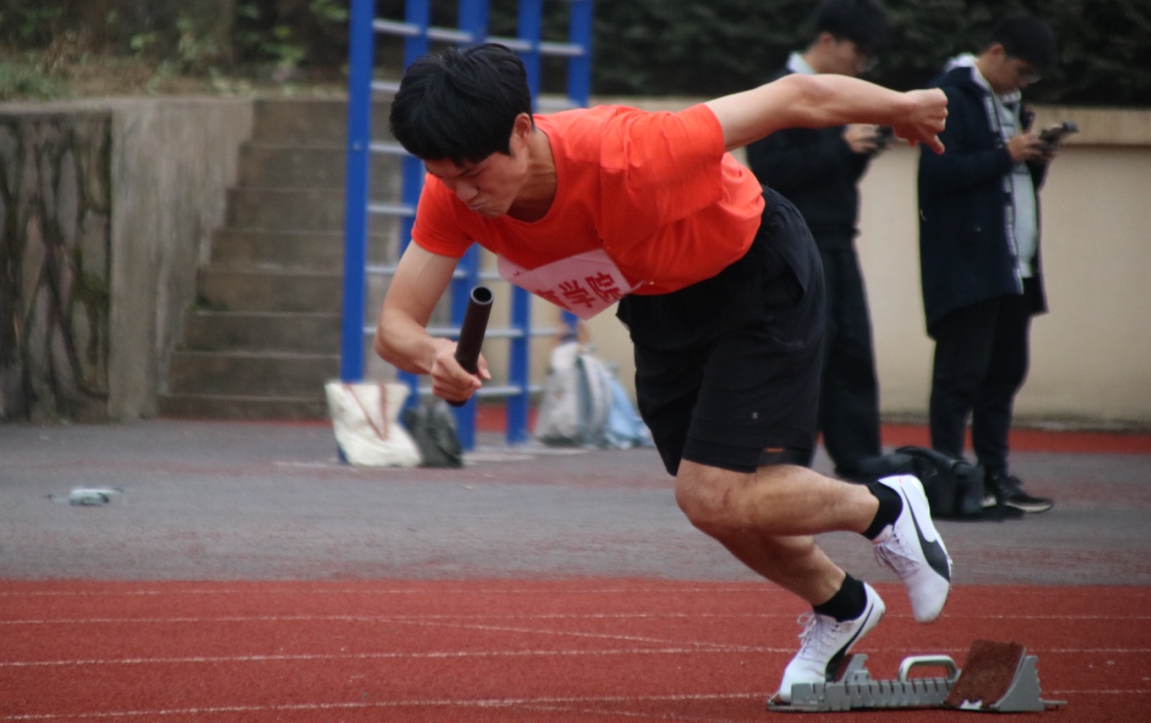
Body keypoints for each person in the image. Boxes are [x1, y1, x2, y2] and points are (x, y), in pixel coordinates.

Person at [374, 43, 953, 706]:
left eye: (475, 174)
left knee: (710, 493)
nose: (465, 194)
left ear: (522, 130)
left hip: (753, 274)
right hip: (657, 304)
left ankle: (889, 506)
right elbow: (395, 326)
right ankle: (842, 604)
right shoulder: (452, 195)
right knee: (718, 508)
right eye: (444, 177)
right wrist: (434, 355)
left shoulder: (629, 149)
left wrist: (902, 106)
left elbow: (798, 96)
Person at [747, 0, 891, 479]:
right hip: (793, 246)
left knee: (852, 353)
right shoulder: (779, 92)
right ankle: (785, 467)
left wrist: (858, 151)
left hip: (838, 239)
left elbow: (834, 176)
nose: (860, 66)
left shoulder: (837, 97)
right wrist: (840, 147)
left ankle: (863, 465)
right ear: (827, 40)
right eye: (857, 53)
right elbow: (771, 171)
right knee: (804, 356)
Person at [918, 15, 1059, 514]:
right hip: (969, 264)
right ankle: (948, 480)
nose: (1023, 84)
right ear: (996, 53)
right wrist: (1006, 154)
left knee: (1004, 374)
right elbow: (939, 172)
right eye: (1021, 72)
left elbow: (1010, 184)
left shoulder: (1008, 102)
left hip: (1013, 262)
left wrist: (1033, 160)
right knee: (959, 377)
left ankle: (995, 475)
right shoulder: (948, 96)